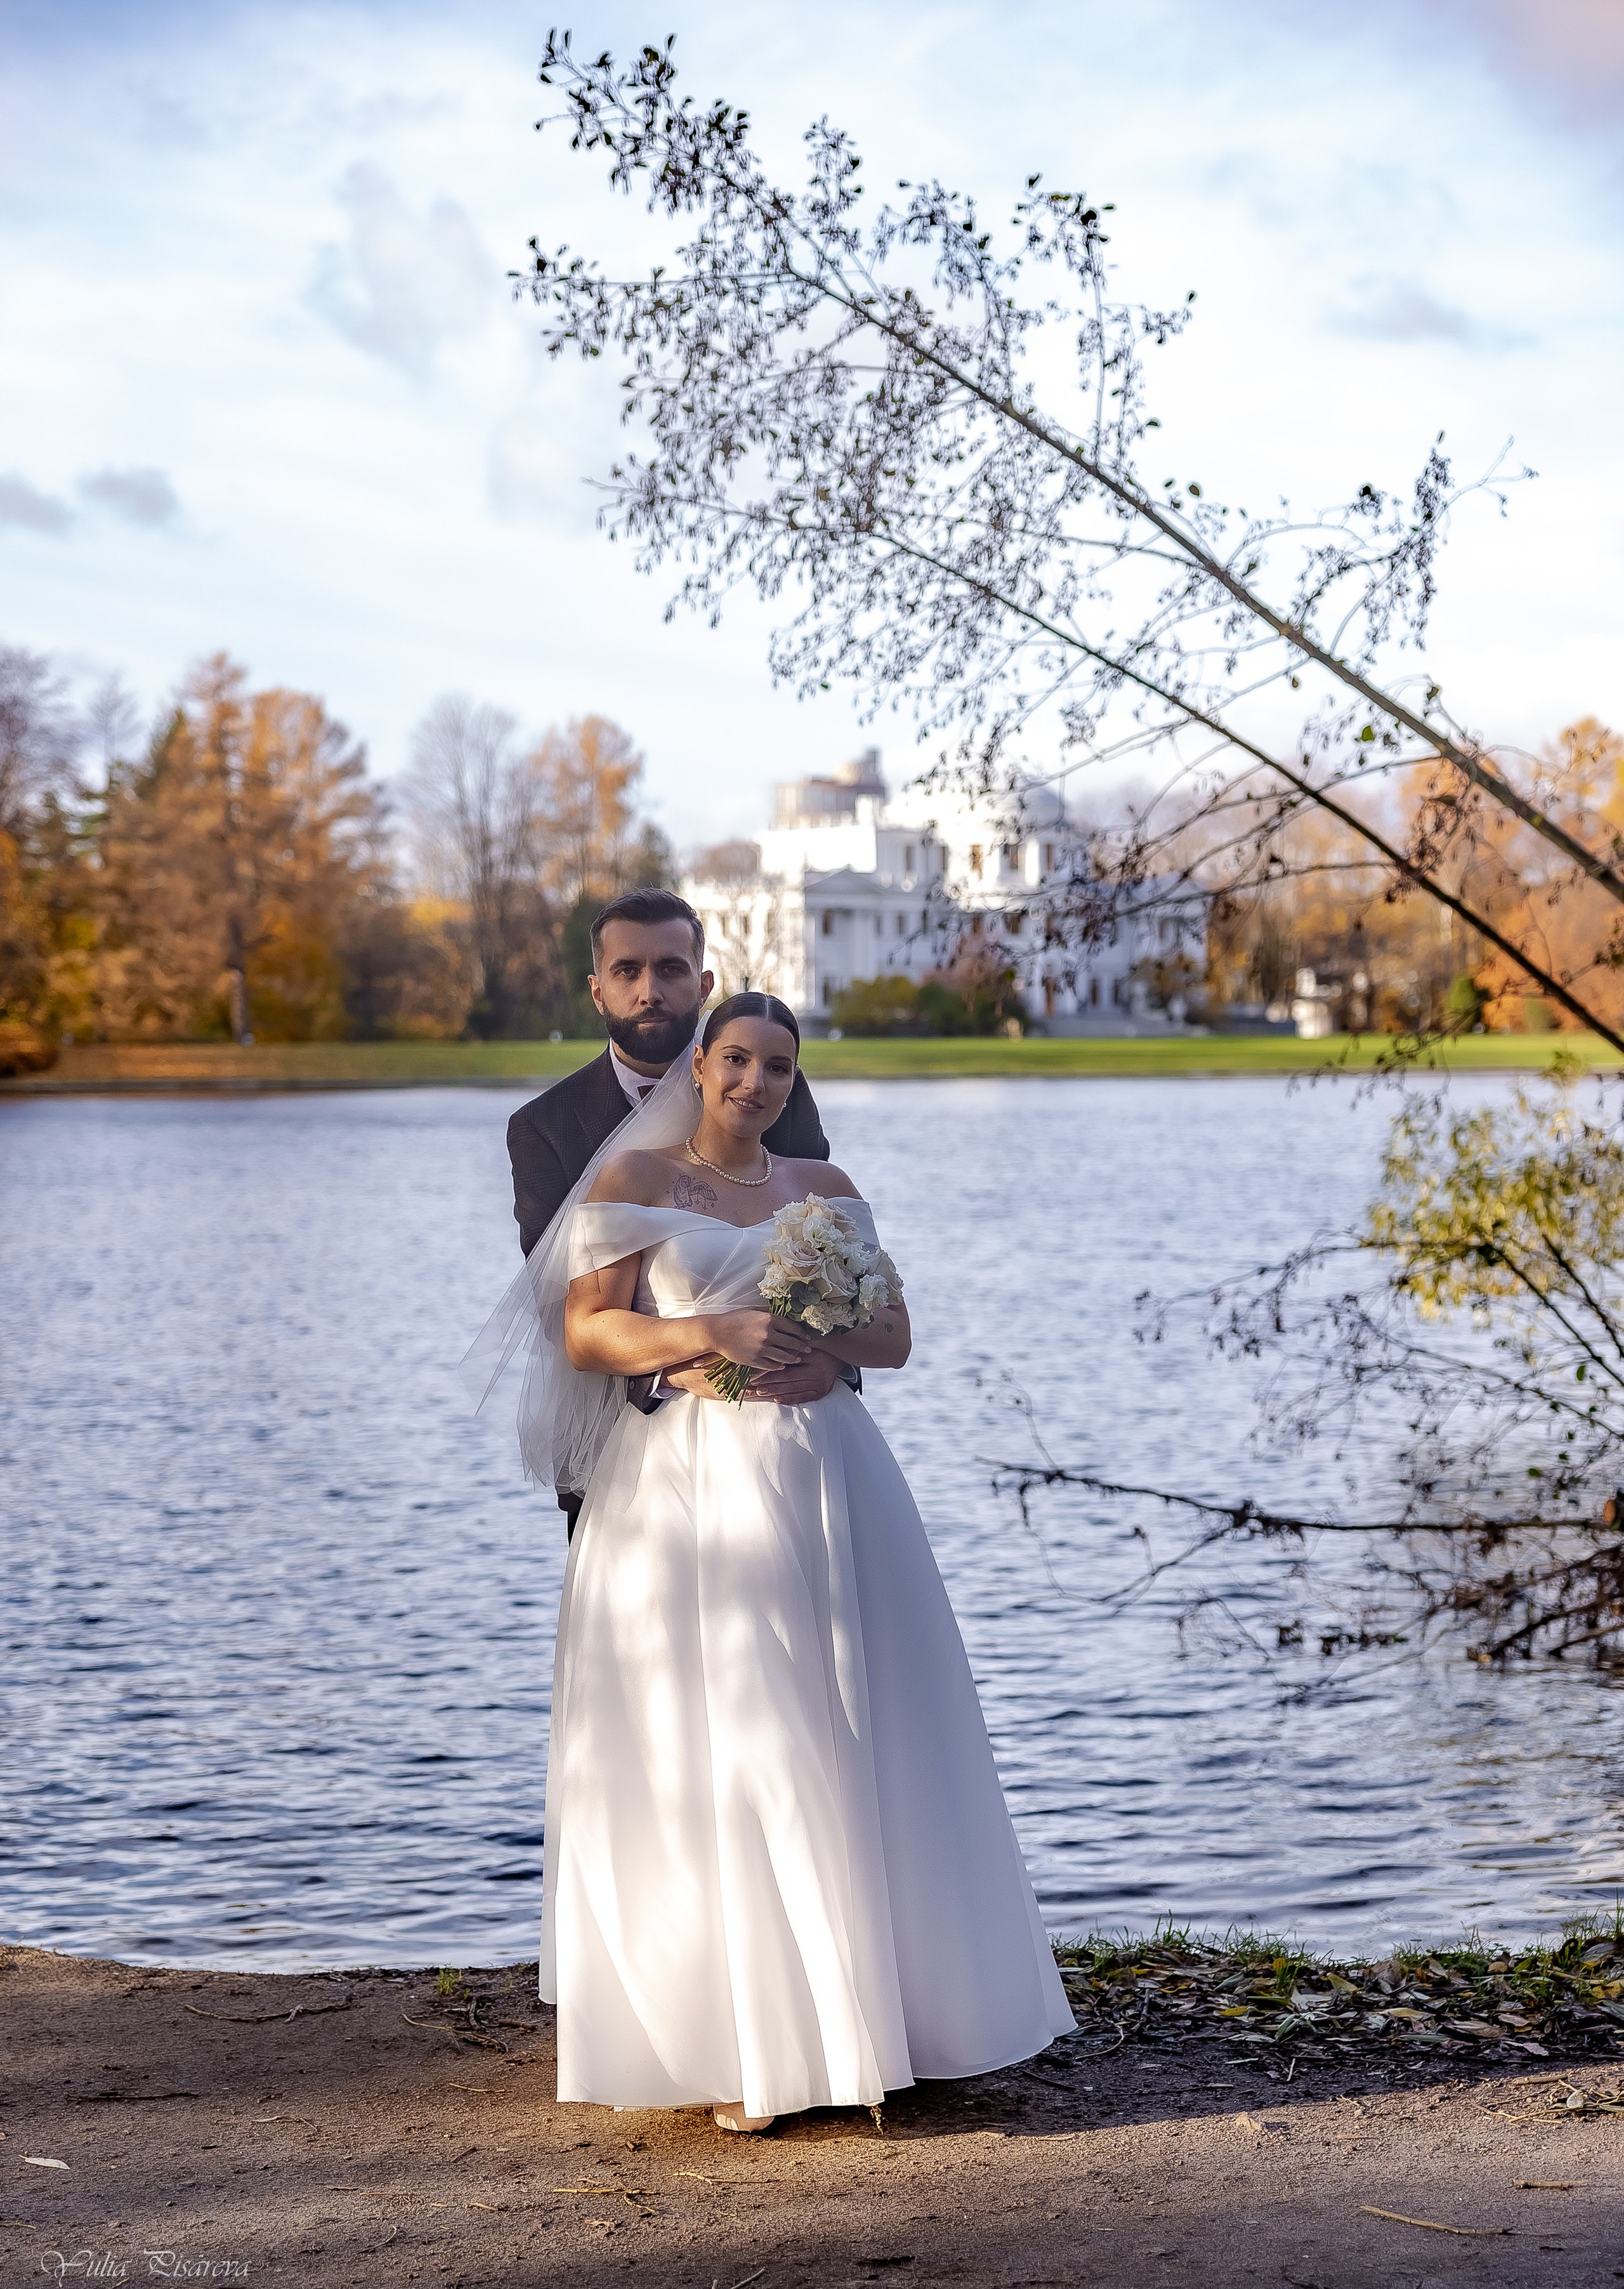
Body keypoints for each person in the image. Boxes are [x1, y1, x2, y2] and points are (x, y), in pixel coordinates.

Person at [504, 990, 1075, 2134]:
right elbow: (585, 1332)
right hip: (689, 1488)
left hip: (830, 1477)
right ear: (701, 1066)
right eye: (737, 1059)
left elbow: (894, 1337)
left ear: (791, 1077)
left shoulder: (825, 1191)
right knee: (732, 1736)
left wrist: (825, 1347)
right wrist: (706, 1333)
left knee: (856, 1724)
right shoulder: (635, 1185)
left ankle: (890, 2016)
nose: (755, 1082)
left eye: (777, 1065)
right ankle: (738, 2036)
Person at [506, 888, 844, 1535]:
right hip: (623, 1444)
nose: (649, 989)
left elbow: (823, 1247)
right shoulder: (545, 1126)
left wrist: (832, 1359)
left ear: (704, 981)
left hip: (786, 1431)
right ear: (598, 989)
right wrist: (690, 1369)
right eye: (626, 970)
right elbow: (559, 1300)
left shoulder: (773, 1088)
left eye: (670, 968)